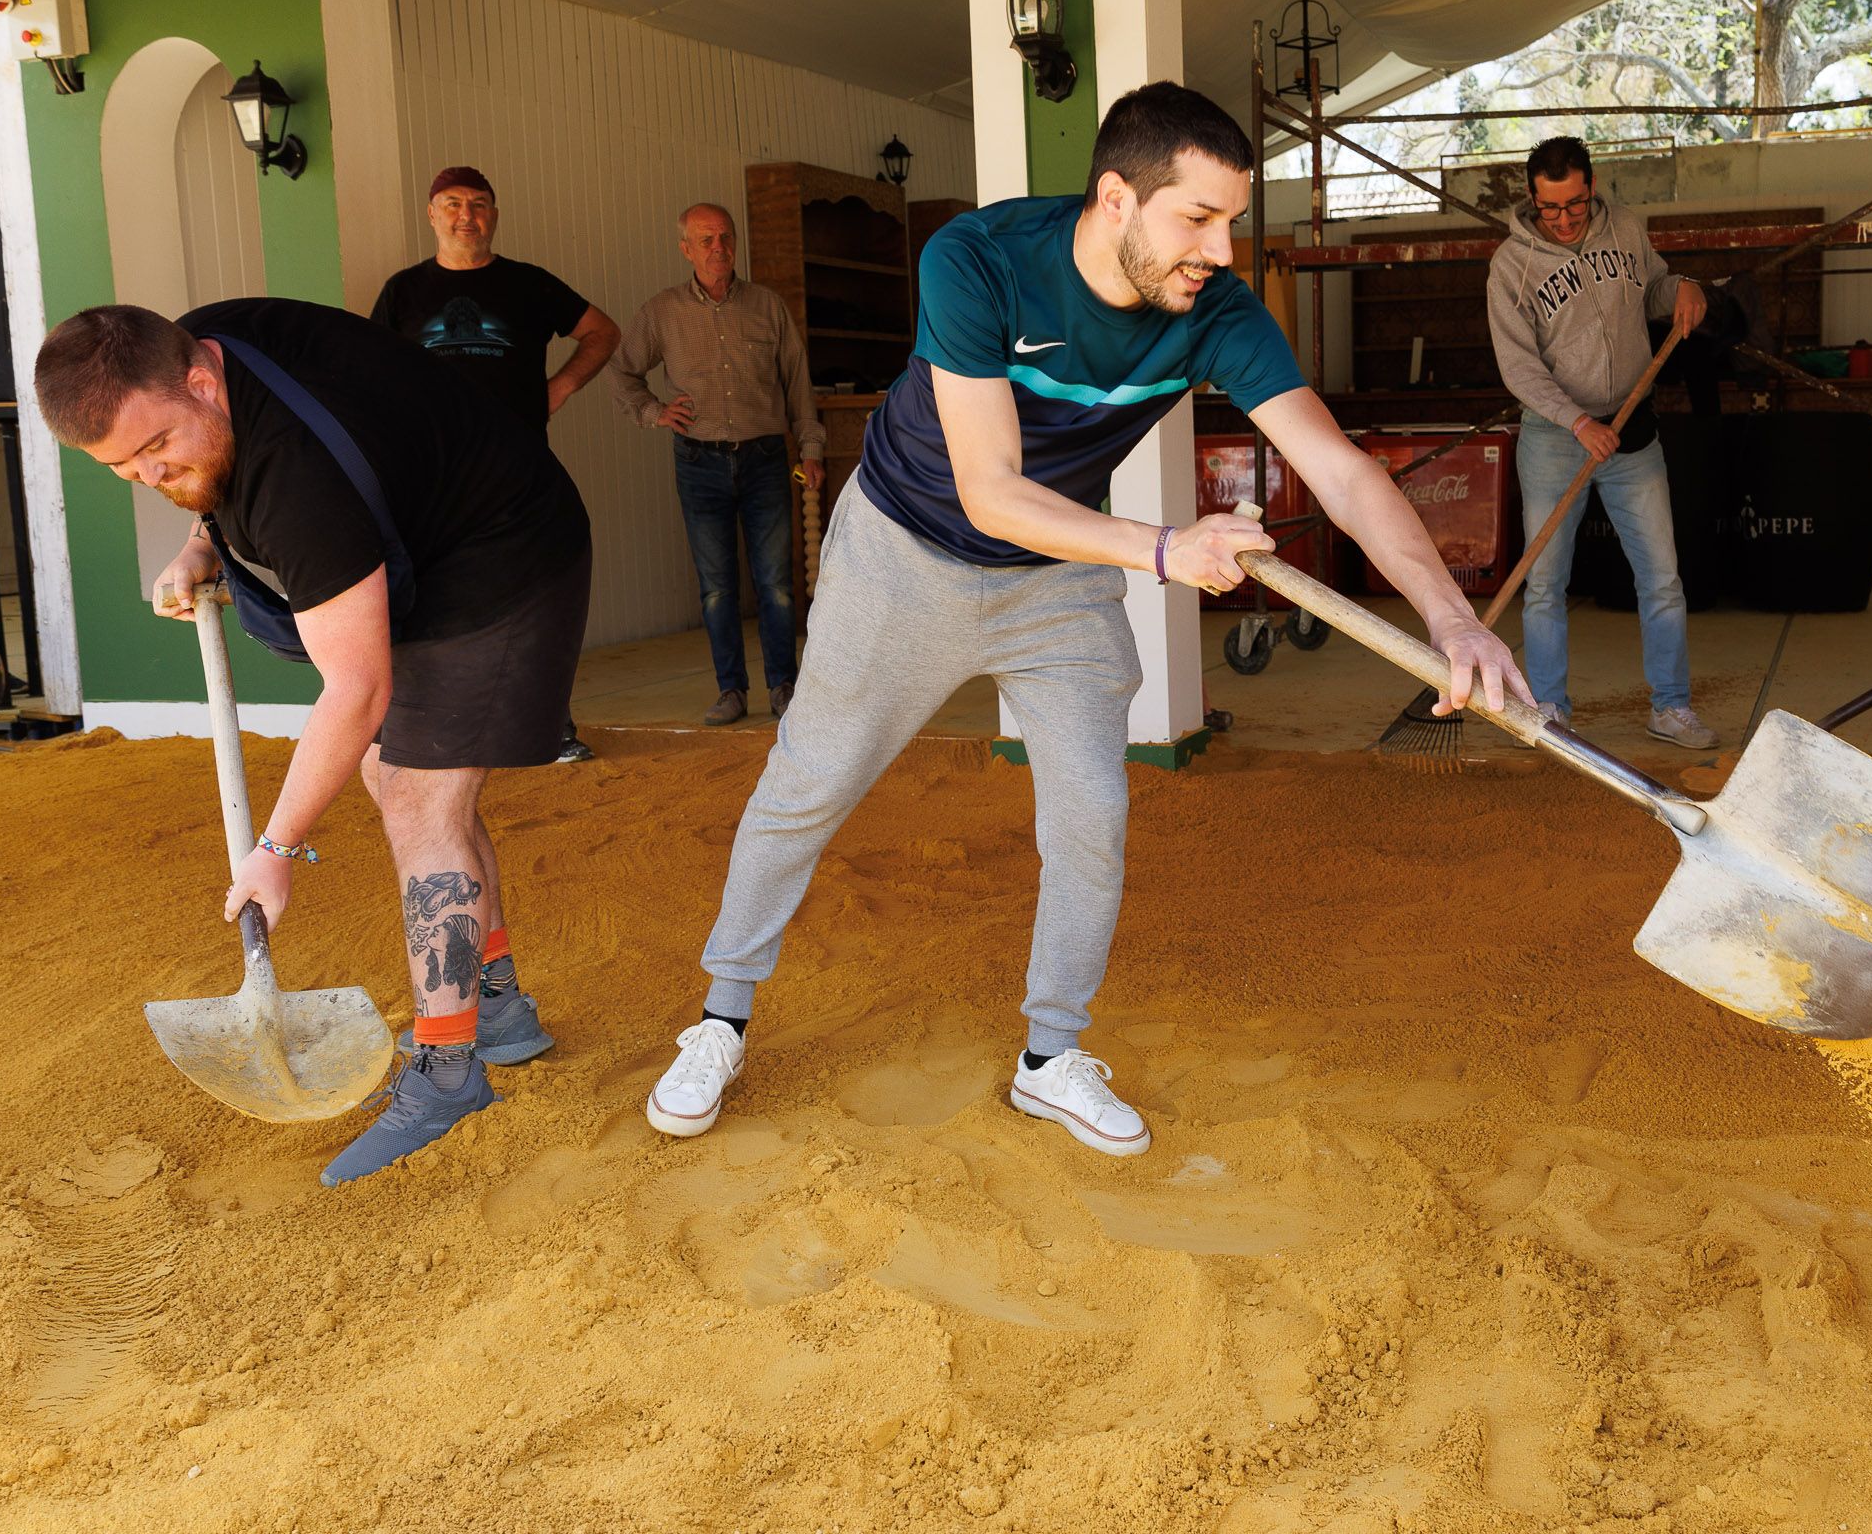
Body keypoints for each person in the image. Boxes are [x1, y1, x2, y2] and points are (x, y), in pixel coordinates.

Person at [642, 82, 1530, 1156]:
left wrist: (1455, 618)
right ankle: (720, 1017)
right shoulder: (976, 262)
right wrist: (1165, 549)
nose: (1221, 249)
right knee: (808, 785)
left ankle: (1050, 1055)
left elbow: (1337, 469)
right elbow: (990, 492)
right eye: (1197, 219)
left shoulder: (1213, 312)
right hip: (906, 553)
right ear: (1117, 198)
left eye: (1232, 221)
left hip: (1055, 578)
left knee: (1091, 817)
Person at [34, 299, 594, 1187]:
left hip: (504, 556)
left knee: (416, 793)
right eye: (121, 466)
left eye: (155, 448)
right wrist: (200, 541)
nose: (146, 472)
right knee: (395, 777)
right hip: (428, 531)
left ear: (200, 380)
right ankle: (496, 1007)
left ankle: (449, 1073)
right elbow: (206, 469)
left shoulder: (300, 480)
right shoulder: (183, 358)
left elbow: (357, 689)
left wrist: (274, 849)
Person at [370, 167, 618, 763]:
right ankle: (423, 729)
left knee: (533, 592)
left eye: (479, 204)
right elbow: (370, 370)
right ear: (431, 214)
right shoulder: (402, 292)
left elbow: (602, 333)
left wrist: (558, 388)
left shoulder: (529, 285)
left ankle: (551, 727)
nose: (466, 215)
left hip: (518, 474)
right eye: (452, 204)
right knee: (430, 593)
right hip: (429, 478)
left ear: (495, 215)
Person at [1486, 138, 1715, 749]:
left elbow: (1657, 290)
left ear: (1592, 187)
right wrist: (1575, 420)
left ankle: (1670, 708)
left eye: (1575, 205)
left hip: (1633, 431)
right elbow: (1519, 367)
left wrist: (1684, 286)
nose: (1562, 220)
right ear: (1532, 199)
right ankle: (1551, 710)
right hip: (1557, 440)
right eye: (1549, 208)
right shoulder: (1512, 265)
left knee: (1662, 578)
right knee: (1544, 584)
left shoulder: (1628, 230)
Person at [610, 203, 823, 724]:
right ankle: (731, 691)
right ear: (686, 249)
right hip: (698, 461)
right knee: (717, 586)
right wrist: (654, 412)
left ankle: (784, 687)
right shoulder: (662, 312)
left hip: (765, 457)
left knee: (774, 582)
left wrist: (811, 448)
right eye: (705, 240)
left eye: (725, 237)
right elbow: (622, 371)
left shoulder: (767, 306)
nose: (718, 248)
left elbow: (797, 381)